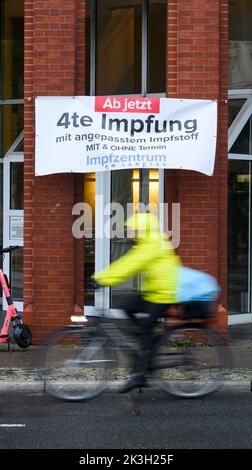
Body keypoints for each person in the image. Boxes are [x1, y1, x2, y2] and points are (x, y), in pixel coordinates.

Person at [93, 212, 182, 393]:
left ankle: (139, 376)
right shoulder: (148, 242)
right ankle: (146, 336)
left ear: (145, 229)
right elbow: (128, 261)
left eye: (136, 229)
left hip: (165, 294)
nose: (134, 232)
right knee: (128, 307)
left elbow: (130, 264)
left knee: (144, 330)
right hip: (153, 291)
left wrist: (102, 279)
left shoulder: (153, 243)